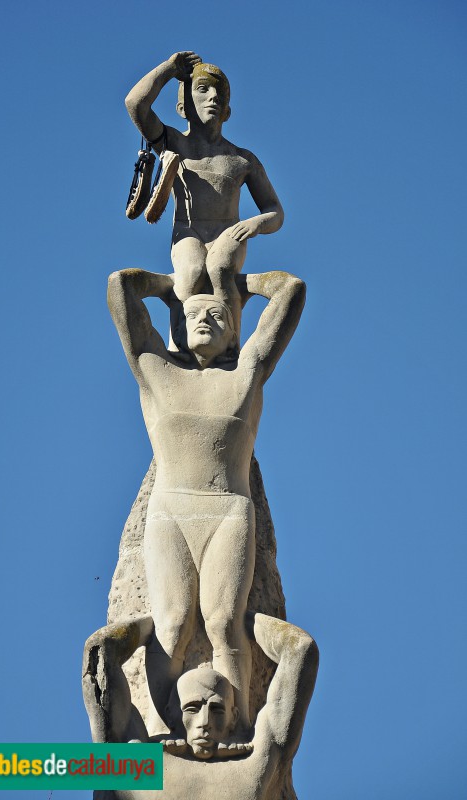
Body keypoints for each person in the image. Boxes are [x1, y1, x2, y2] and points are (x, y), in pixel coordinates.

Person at [107, 267, 305, 733]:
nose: (204, 320)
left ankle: (233, 727)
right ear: (175, 327)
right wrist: (176, 283)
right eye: (193, 315)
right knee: (171, 625)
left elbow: (290, 291)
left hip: (228, 511)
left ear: (235, 329)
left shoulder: (247, 372)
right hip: (171, 511)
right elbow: (120, 288)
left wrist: (237, 282)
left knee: (221, 623)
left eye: (217, 316)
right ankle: (169, 728)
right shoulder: (156, 370)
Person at [125, 52, 284, 333]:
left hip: (228, 235)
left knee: (221, 267)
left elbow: (275, 212)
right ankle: (182, 347)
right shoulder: (173, 143)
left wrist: (254, 224)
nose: (213, 97)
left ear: (227, 111)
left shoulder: (242, 159)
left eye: (219, 93)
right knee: (190, 276)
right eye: (202, 89)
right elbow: (135, 104)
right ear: (182, 106)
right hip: (188, 233)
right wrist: (170, 68)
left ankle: (229, 344)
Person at [83, 613, 319, 800]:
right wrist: (157, 624)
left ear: (233, 718)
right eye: (192, 708)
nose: (204, 722)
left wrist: (232, 621)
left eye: (216, 710)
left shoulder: (257, 764)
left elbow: (300, 650)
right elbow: (100, 653)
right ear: (171, 714)